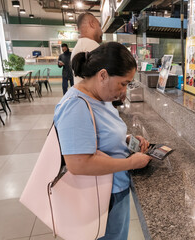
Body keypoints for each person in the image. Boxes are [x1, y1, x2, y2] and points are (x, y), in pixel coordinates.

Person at [53, 42, 152, 240]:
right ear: (103, 75)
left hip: (114, 191)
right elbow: (78, 163)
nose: (124, 91)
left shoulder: (100, 98)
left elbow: (97, 136)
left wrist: (125, 139)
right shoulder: (75, 105)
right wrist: (130, 163)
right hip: (101, 197)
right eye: (123, 83)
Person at [71, 12, 102, 85]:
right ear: (92, 23)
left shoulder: (80, 46)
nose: (101, 31)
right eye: (99, 26)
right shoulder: (91, 46)